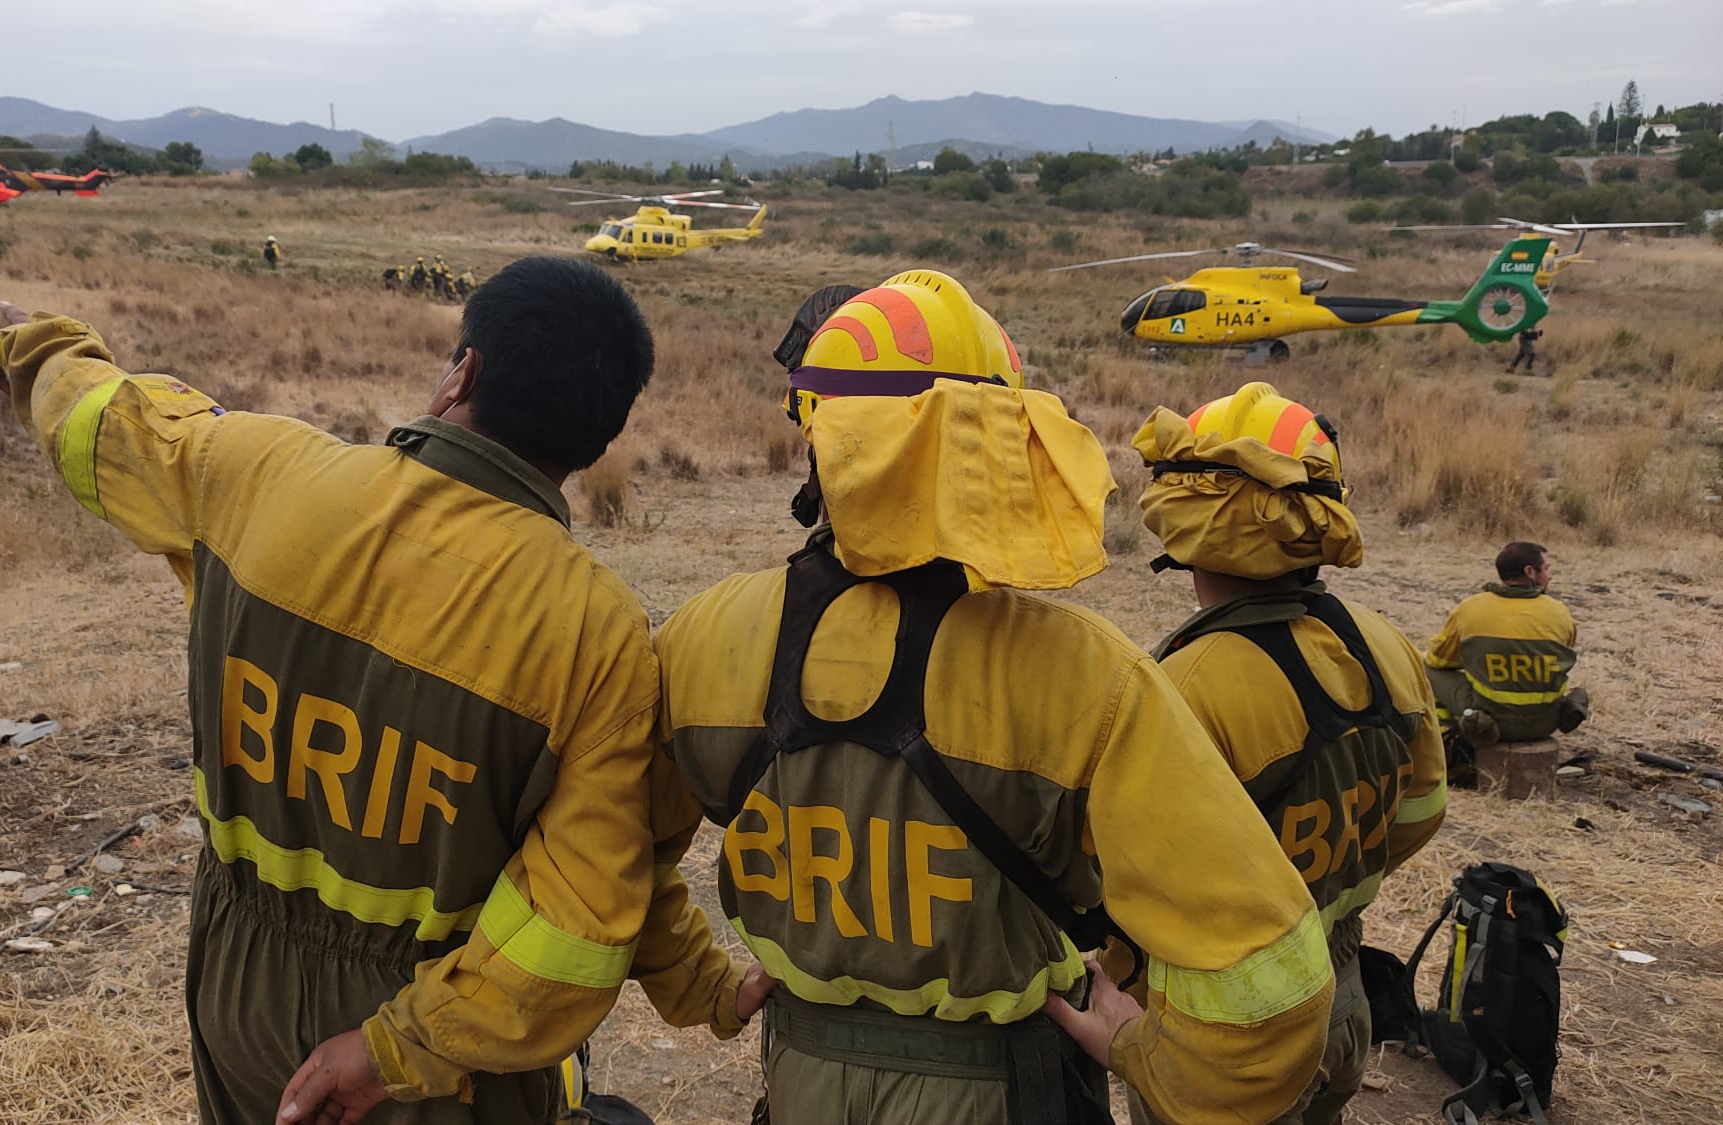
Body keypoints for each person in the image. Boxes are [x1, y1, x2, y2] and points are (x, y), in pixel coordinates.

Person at [0, 256, 762, 1125]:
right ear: (596, 444)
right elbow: (579, 921)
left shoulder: (256, 469)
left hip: (237, 981)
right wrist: (399, 1046)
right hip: (434, 1049)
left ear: (463, 372)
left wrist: (41, 349)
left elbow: (100, 424)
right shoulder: (594, 631)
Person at [654, 272, 1336, 1125]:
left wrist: (704, 988)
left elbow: (611, 854)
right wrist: (1147, 1057)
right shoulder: (1088, 677)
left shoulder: (699, 637)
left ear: (820, 432)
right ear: (998, 440)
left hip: (801, 1079)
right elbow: (1275, 982)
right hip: (1010, 1088)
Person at [1130, 381, 1448, 1125]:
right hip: (1340, 1002)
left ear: (1186, 523)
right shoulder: (1385, 645)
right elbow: (1424, 809)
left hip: (1224, 1035)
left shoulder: (1182, 688)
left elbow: (1132, 881)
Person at [1426, 542, 1588, 776]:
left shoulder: (1470, 609)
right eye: (1548, 569)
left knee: (1425, 668)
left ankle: (1450, 746)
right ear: (1529, 572)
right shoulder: (1559, 612)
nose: (1550, 576)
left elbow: (1439, 661)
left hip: (1491, 722)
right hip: (1545, 723)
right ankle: (1565, 709)